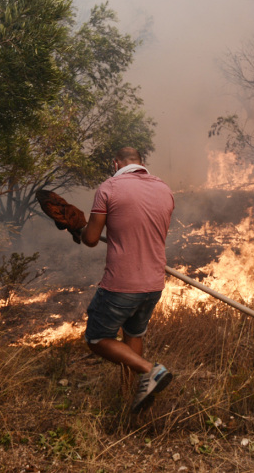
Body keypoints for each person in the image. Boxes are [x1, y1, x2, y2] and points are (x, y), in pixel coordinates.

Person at [79, 147, 175, 412]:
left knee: (96, 338)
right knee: (134, 334)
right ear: (141, 164)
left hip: (122, 284)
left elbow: (89, 239)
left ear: (115, 163)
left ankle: (150, 370)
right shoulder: (164, 189)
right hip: (154, 283)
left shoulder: (109, 187)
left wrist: (80, 227)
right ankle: (130, 395)